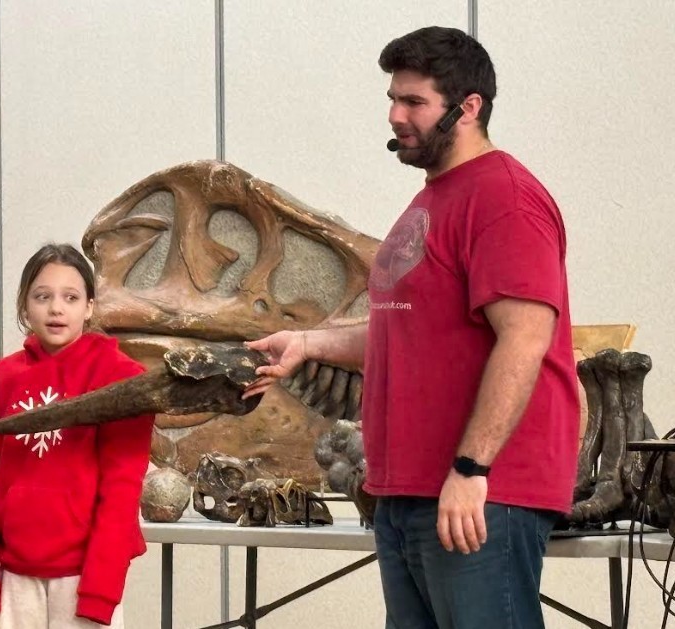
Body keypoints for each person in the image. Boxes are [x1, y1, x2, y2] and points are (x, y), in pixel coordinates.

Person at [244, 26, 579, 629]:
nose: (396, 115)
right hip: (407, 495)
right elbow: (404, 331)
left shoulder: (504, 199)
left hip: (479, 497)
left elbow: (526, 339)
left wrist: (471, 470)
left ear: (468, 107)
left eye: (414, 101)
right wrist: (309, 343)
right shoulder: (432, 200)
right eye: (393, 99)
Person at [0, 243, 154, 628]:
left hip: (83, 575)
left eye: (70, 297)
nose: (56, 308)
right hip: (17, 574)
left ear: (89, 307)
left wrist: (101, 590)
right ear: (25, 306)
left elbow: (122, 488)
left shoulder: (121, 377)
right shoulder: (5, 376)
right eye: (42, 296)